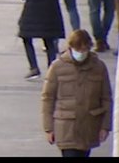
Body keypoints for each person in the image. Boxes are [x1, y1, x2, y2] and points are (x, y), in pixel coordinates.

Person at [41, 29, 112, 157]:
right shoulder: (57, 67)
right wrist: (49, 128)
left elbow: (106, 98)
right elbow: (48, 98)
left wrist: (105, 126)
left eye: (85, 50)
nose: (81, 53)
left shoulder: (99, 67)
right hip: (66, 127)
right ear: (71, 47)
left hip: (89, 127)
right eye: (78, 50)